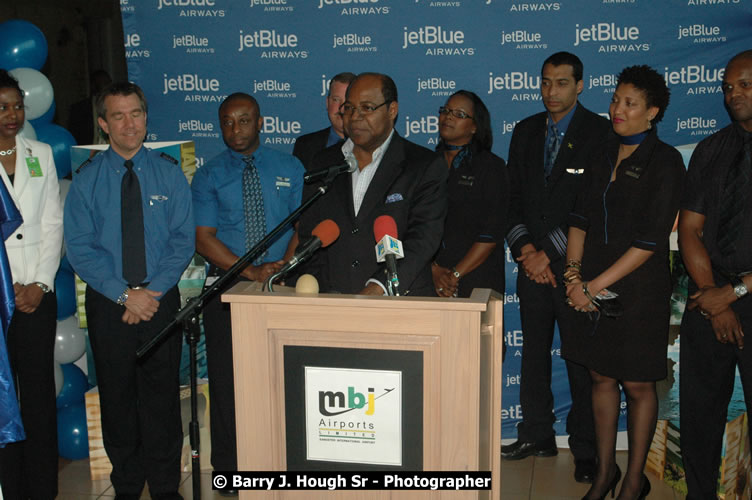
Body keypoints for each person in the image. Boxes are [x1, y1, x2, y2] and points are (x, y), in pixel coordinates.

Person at [64, 82, 194, 500]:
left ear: (146, 116)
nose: (128, 124)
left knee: (161, 401)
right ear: (103, 124)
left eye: (135, 113)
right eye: (117, 116)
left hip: (159, 300)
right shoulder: (86, 182)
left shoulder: (169, 173)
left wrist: (150, 293)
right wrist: (125, 294)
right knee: (118, 399)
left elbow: (182, 240)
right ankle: (126, 486)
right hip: (110, 305)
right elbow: (80, 248)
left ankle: (164, 486)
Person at [563, 65, 684, 499]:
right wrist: (575, 278)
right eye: (615, 99)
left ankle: (634, 480)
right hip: (589, 285)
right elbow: (578, 221)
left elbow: (650, 241)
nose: (617, 109)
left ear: (652, 112)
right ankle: (604, 473)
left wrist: (593, 286)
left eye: (630, 103)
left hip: (638, 291)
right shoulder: (598, 155)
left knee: (636, 383)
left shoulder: (665, 161)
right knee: (600, 378)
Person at [503, 52, 610, 484]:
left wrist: (549, 253)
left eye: (562, 83)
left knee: (580, 360)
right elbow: (511, 200)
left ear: (580, 85)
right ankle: (537, 434)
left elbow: (593, 204)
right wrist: (526, 252)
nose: (551, 91)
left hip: (575, 271)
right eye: (546, 82)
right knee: (533, 355)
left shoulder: (599, 132)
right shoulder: (526, 131)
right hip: (532, 267)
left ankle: (585, 448)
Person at [191, 93, 304, 488]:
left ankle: (282, 463)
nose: (234, 129)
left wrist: (282, 268)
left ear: (261, 122)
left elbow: (301, 227)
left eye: (243, 120)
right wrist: (252, 271)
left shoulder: (289, 165)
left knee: (282, 380)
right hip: (227, 288)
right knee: (228, 383)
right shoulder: (207, 175)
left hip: (282, 287)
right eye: (227, 122)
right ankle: (230, 470)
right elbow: (204, 239)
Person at [297, 72, 447, 296]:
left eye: (367, 107)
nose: (355, 117)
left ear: (392, 110)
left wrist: (379, 286)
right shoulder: (323, 163)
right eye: (349, 108)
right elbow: (311, 236)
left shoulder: (423, 165)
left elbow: (423, 239)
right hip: (333, 304)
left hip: (399, 303)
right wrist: (326, 292)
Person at [678, 50, 752, 500]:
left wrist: (736, 292)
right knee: (700, 414)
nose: (733, 94)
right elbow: (690, 228)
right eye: (727, 87)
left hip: (744, 290)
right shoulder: (711, 149)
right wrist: (711, 293)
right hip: (709, 294)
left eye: (744, 84)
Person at [0, 68, 63, 500]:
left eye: (18, 106)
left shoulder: (39, 152)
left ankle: (42, 487)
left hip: (35, 296)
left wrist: (39, 284)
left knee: (37, 395)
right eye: (2, 107)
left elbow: (51, 222)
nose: (12, 115)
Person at [432, 90, 509, 298]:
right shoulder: (424, 166)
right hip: (432, 280)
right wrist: (434, 271)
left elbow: (491, 233)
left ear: (475, 126)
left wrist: (454, 276)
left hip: (479, 278)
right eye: (445, 111)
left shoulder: (491, 167)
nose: (448, 117)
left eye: (459, 114)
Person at [292, 72, 356, 168]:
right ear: (327, 103)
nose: (342, 109)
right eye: (336, 100)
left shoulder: (371, 146)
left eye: (348, 102)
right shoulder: (304, 145)